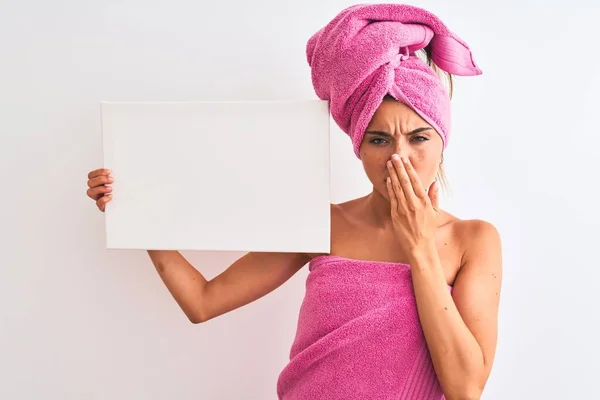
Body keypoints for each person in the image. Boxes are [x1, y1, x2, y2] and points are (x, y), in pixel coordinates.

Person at [86, 4, 502, 400]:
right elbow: (202, 301)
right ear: (359, 148)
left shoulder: (473, 241)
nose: (399, 157)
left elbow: (466, 388)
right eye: (379, 139)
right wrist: (134, 209)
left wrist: (418, 245)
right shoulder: (322, 224)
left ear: (442, 143)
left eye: (419, 137)